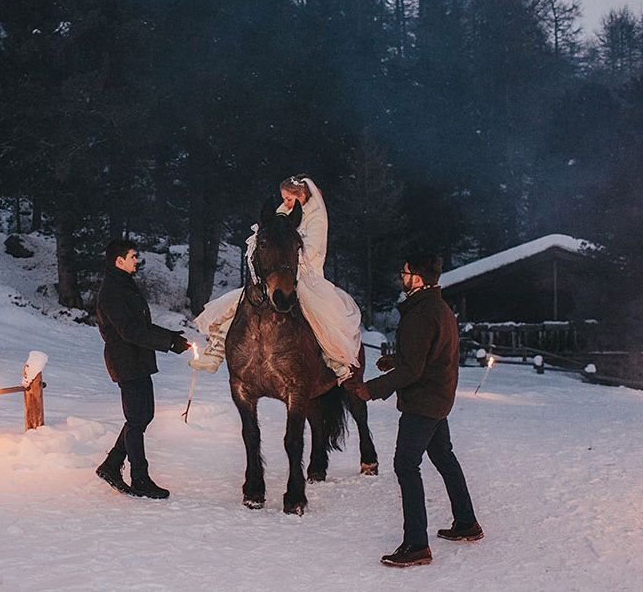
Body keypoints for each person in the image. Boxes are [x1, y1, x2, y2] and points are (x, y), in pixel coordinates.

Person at [353, 253, 483, 567]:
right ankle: (466, 522)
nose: (403, 276)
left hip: (424, 401)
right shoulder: (438, 308)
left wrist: (371, 389)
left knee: (405, 466)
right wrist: (395, 361)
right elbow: (427, 355)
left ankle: (416, 544)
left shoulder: (421, 313)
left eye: (406, 272)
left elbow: (414, 370)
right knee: (443, 456)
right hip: (438, 397)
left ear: (420, 278)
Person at [189, 175, 362, 382]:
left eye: (290, 199)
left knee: (316, 311)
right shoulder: (282, 213)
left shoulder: (316, 217)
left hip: (306, 273)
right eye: (285, 198)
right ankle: (216, 350)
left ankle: (334, 358)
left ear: (303, 195)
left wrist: (288, 250)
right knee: (243, 302)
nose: (286, 202)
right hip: (277, 273)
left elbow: (313, 248)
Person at [95, 238, 191, 499]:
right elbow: (129, 330)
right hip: (126, 360)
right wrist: (167, 342)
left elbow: (141, 325)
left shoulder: (123, 285)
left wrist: (171, 336)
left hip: (136, 359)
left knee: (141, 417)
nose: (136, 260)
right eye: (132, 256)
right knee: (137, 419)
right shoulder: (112, 292)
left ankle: (111, 465)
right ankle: (139, 478)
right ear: (119, 261)